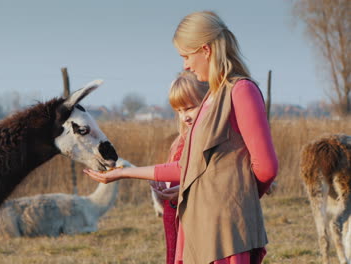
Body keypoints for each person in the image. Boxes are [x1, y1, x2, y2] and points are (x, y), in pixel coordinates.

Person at [84, 10, 278, 264]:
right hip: (198, 228)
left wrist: (235, 205)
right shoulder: (210, 98)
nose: (185, 65)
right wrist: (123, 173)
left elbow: (266, 168)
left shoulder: (241, 91)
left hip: (224, 235)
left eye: (186, 56)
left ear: (206, 50)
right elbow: (186, 168)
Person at [150, 71, 208, 264]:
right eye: (179, 111)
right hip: (173, 216)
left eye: (190, 108)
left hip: (198, 222)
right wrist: (160, 188)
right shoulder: (179, 143)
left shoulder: (211, 141)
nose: (184, 117)